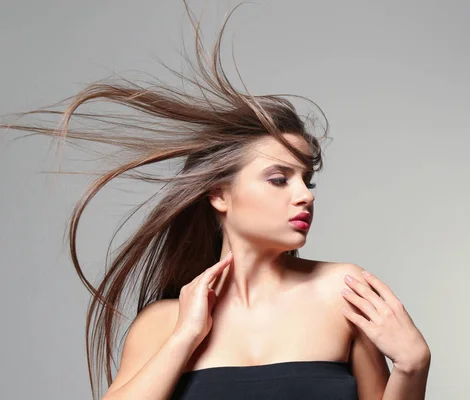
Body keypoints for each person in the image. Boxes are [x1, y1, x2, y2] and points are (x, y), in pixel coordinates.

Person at [1, 2, 430, 399]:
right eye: (279, 179)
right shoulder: (163, 323)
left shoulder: (343, 292)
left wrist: (412, 366)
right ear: (219, 194)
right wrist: (185, 337)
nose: (304, 196)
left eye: (308, 181)